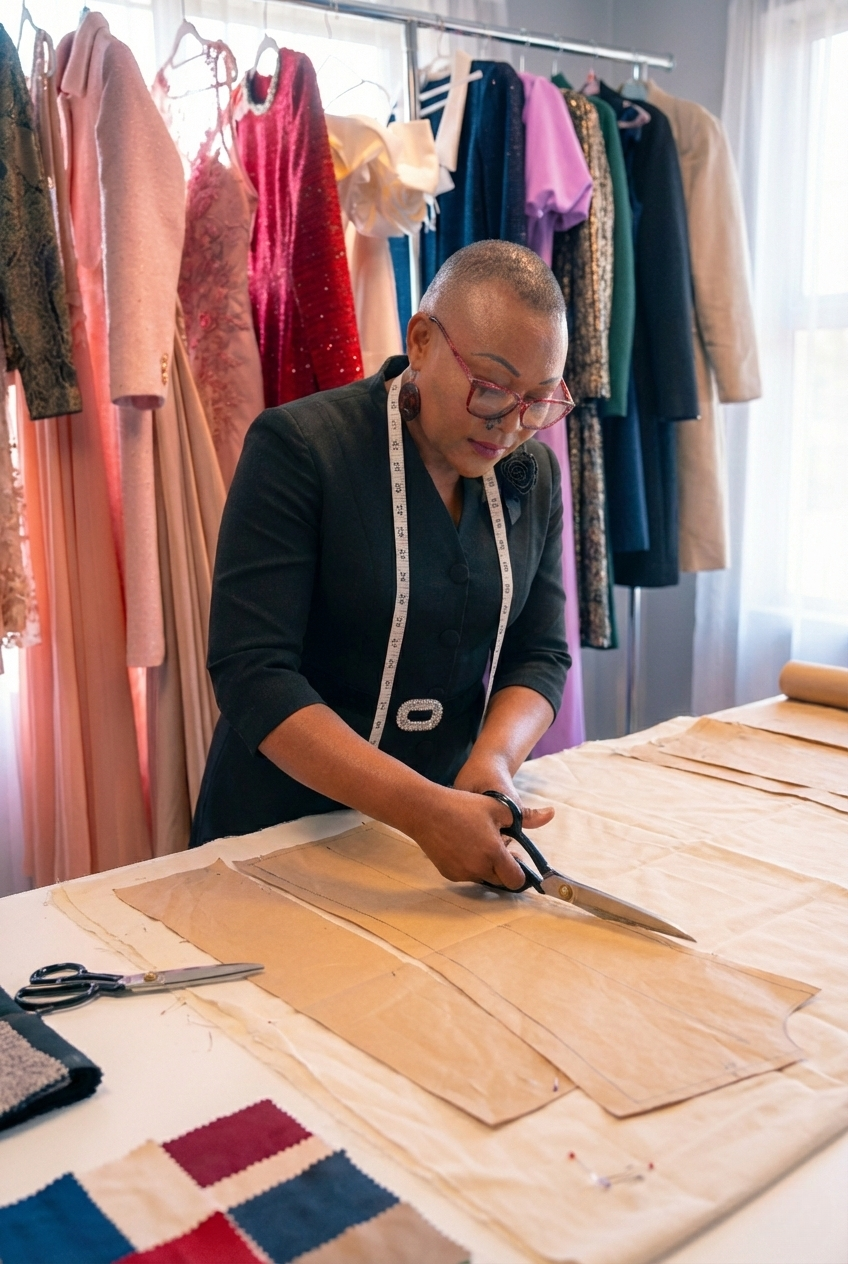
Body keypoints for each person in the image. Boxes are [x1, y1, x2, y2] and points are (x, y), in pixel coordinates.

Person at [191, 240, 573, 890]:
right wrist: (422, 810)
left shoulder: (529, 474)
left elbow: (540, 653)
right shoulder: (303, 450)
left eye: (538, 400)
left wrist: (494, 763)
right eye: (490, 389)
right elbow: (253, 672)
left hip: (448, 826)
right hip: (281, 833)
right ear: (421, 341)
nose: (511, 424)